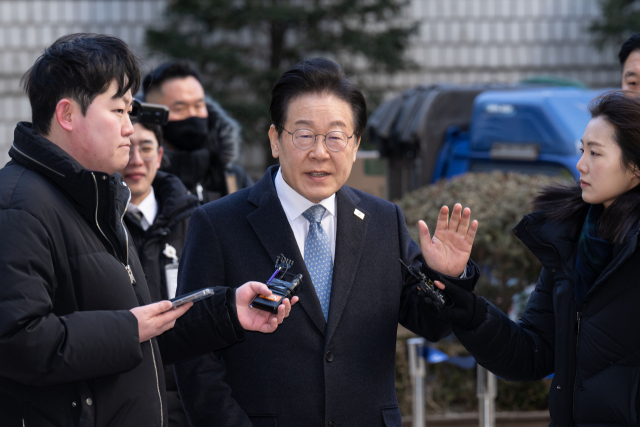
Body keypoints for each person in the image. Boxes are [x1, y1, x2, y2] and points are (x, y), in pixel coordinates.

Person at [0, 33, 295, 427]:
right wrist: (128, 328)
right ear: (67, 114)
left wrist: (227, 312)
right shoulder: (19, 204)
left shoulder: (92, 199)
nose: (128, 127)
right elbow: (18, 342)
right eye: (119, 111)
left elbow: (144, 329)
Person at [173, 58, 479, 427]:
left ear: (355, 145)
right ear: (275, 139)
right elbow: (194, 355)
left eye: (335, 136)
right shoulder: (218, 224)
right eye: (304, 135)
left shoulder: (384, 221)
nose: (319, 152)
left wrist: (450, 277)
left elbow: (433, 323)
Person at [425, 90, 640, 425]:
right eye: (582, 150)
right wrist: (467, 307)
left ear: (636, 166)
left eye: (596, 153)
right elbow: (531, 354)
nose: (581, 164)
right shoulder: (569, 242)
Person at [119, 122, 198, 426]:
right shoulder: (96, 226)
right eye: (128, 146)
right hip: (123, 397)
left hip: (185, 398)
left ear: (161, 154)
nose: (136, 160)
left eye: (147, 148)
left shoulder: (195, 222)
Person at [142, 61, 254, 202]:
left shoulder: (232, 178)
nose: (192, 114)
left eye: (199, 105)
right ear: (154, 115)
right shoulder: (138, 177)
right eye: (179, 109)